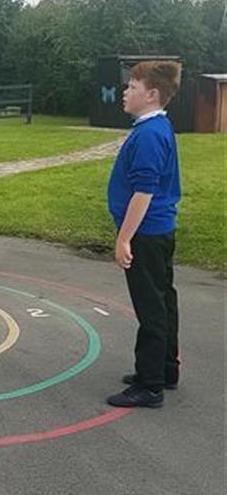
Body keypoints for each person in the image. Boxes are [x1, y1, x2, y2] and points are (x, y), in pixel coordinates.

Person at [106, 60, 183, 409]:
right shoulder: (155, 128)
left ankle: (150, 385)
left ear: (151, 95)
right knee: (164, 299)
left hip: (146, 233)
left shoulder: (150, 134)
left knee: (150, 306)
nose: (125, 92)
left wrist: (124, 238)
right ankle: (166, 369)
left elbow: (144, 191)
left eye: (132, 88)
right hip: (158, 230)